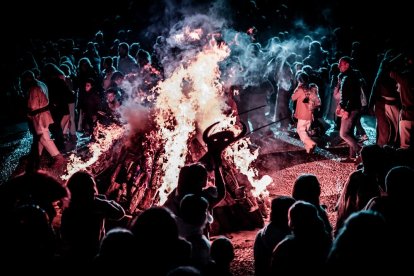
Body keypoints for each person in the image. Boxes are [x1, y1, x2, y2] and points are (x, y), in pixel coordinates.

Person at [20, 70, 65, 170]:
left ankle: (58, 158)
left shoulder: (33, 89)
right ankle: (37, 155)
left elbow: (33, 106)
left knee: (45, 138)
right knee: (41, 137)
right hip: (44, 116)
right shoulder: (41, 84)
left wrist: (28, 112)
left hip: (40, 117)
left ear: (27, 79)